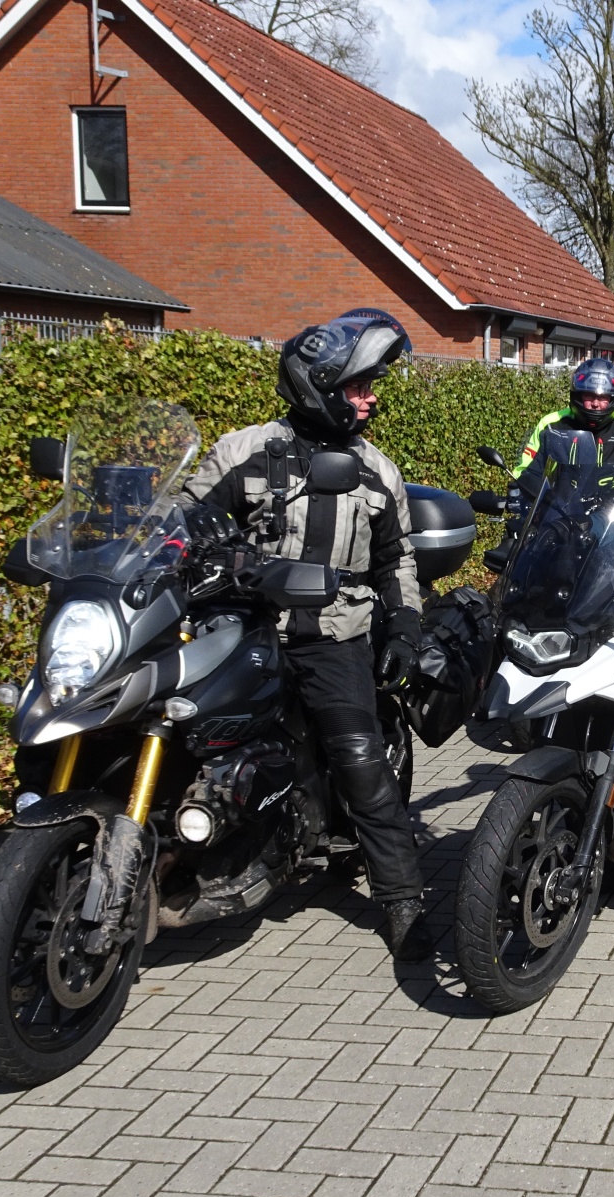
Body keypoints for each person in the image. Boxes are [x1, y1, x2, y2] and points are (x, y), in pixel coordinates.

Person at [182, 309, 432, 962]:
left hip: (332, 635)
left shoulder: (377, 471)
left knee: (360, 756)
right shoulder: (244, 451)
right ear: (318, 386)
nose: (371, 399)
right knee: (184, 730)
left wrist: (405, 627)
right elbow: (180, 524)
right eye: (359, 387)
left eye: (371, 387)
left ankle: (403, 898)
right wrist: (203, 547)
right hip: (240, 629)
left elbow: (396, 560)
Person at [514, 356, 614, 498]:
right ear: (578, 396)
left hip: (611, 508)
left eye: (603, 397)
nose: (595, 403)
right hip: (557, 507)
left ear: (613, 398)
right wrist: (544, 497)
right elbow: (527, 470)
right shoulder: (551, 425)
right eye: (589, 395)